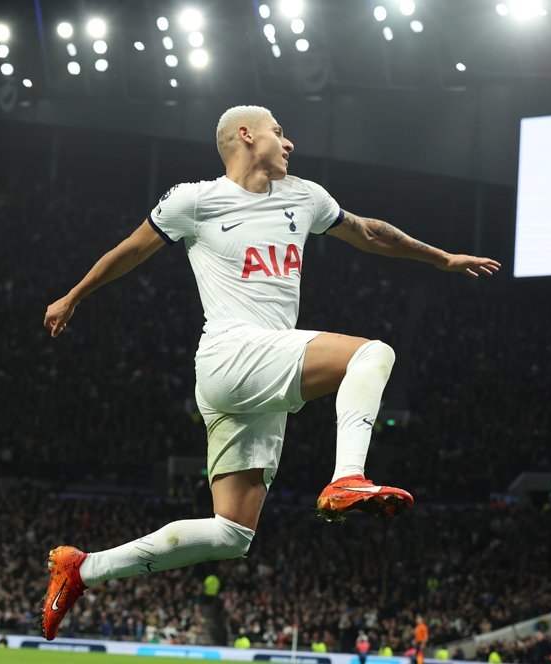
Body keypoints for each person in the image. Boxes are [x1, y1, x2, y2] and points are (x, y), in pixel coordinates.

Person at [39, 105, 500, 641]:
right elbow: (130, 250)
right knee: (372, 354)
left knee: (231, 533)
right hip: (230, 354)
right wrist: (74, 295)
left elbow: (370, 233)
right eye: (279, 132)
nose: (289, 143)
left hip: (259, 377)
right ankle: (347, 476)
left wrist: (440, 258)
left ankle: (82, 568)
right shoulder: (195, 199)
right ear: (245, 135)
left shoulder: (305, 196)